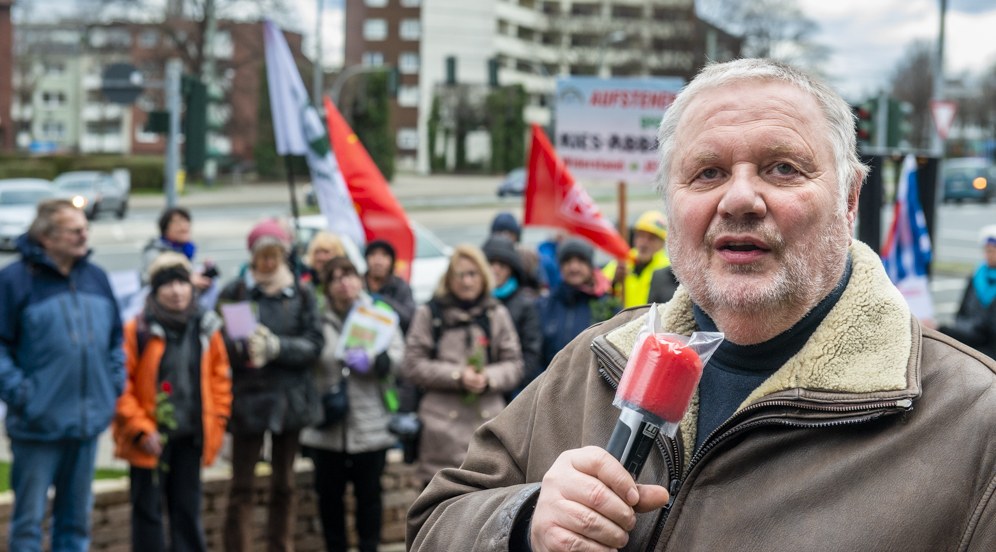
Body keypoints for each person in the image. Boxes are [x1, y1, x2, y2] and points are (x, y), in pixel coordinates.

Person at [406, 58, 996, 551]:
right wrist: (526, 523)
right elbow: (433, 523)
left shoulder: (973, 422)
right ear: (670, 204)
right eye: (707, 172)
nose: (740, 198)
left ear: (849, 200)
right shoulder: (593, 361)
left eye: (782, 168)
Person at [0, 199, 125, 551]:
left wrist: (113, 383)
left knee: (75, 525)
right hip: (37, 425)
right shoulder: (14, 281)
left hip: (86, 424)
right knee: (28, 526)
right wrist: (24, 393)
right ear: (46, 238)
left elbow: (116, 339)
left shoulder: (95, 277)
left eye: (85, 228)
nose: (84, 234)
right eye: (75, 230)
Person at [113, 252, 232, 551]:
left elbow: (220, 378)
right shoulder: (137, 330)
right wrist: (140, 428)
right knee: (148, 515)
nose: (177, 291)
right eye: (168, 284)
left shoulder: (206, 327)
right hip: (150, 438)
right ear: (154, 290)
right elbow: (120, 385)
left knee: (187, 512)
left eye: (182, 282)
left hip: (191, 436)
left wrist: (217, 419)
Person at [218, 218, 324, 552]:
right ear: (252, 257)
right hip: (250, 398)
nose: (268, 262)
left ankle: (281, 545)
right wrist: (245, 349)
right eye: (262, 256)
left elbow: (314, 343)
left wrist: (278, 347)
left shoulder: (301, 293)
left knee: (284, 483)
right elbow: (228, 345)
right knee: (243, 485)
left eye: (274, 255)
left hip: (290, 398)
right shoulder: (238, 292)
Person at [299, 256, 405, 552]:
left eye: (350, 275)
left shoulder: (378, 314)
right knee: (329, 499)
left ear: (361, 279)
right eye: (335, 277)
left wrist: (374, 361)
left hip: (370, 422)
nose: (344, 282)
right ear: (327, 286)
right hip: (327, 425)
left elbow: (400, 357)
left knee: (369, 497)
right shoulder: (317, 318)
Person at [400, 244, 524, 486]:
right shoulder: (429, 314)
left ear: (483, 277)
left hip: (487, 427)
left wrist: (488, 377)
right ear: (449, 278)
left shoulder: (496, 314)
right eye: (460, 274)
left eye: (473, 274)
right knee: (437, 515)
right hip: (439, 434)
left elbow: (514, 365)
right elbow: (412, 364)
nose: (467, 282)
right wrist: (456, 375)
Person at [537, 238, 615, 370]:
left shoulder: (607, 306)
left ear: (590, 266)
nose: (574, 267)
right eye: (568, 261)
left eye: (580, 261)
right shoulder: (545, 305)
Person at [482, 235, 543, 399]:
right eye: (490, 263)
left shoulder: (524, 305)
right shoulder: (472, 301)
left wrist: (514, 386)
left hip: (512, 391)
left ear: (511, 269)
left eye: (502, 265)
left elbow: (531, 352)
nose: (495, 270)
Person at [142, 206, 219, 308]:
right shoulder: (154, 251)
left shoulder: (187, 250)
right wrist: (187, 279)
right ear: (165, 229)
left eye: (186, 222)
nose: (184, 226)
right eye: (177, 223)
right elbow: (150, 280)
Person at [939, 224, 996, 358]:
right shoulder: (977, 276)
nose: (988, 255)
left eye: (992, 250)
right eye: (986, 250)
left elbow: (988, 328)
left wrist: (944, 329)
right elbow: (961, 314)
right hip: (969, 344)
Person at [602, 209, 671, 308]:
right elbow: (599, 295)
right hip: (624, 322)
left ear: (662, 243)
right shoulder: (620, 263)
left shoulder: (668, 269)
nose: (644, 243)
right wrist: (614, 282)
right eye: (641, 236)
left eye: (652, 238)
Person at [363, 239, 416, 334]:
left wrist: (384, 301)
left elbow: (409, 318)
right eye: (373, 255)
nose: (378, 261)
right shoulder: (358, 285)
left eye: (384, 255)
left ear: (392, 261)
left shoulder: (400, 287)